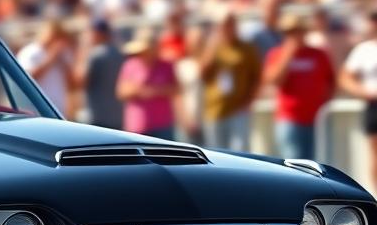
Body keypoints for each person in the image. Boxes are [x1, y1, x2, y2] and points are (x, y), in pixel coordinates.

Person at [263, 11, 335, 160]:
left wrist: (323, 102)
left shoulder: (319, 54)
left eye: (297, 31)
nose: (294, 36)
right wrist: (288, 55)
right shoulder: (276, 54)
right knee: (295, 163)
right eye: (290, 32)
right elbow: (273, 80)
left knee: (319, 164)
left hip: (317, 119)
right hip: (290, 119)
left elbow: (332, 81)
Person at [197, 11, 262, 150]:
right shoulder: (212, 46)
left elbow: (256, 76)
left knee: (240, 151)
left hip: (238, 108)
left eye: (230, 24)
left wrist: (249, 100)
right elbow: (202, 74)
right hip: (215, 108)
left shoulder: (246, 48)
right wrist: (212, 50)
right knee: (217, 152)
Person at [116, 28, 183, 141]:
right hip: (137, 126)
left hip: (163, 125)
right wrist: (140, 90)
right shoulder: (130, 65)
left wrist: (155, 91)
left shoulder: (166, 65)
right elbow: (121, 92)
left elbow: (176, 89)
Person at [338, 9, 377, 192]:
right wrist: (364, 92)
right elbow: (345, 77)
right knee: (375, 154)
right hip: (373, 105)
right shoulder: (364, 50)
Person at [17, 19, 76, 117]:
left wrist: (64, 63)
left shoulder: (62, 56)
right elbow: (27, 79)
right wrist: (51, 58)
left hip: (58, 113)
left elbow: (73, 84)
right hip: (35, 113)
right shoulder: (31, 52)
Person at [77, 19, 124, 129]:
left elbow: (80, 81)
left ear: (97, 33)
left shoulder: (95, 55)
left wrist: (83, 52)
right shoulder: (119, 53)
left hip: (96, 117)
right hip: (117, 117)